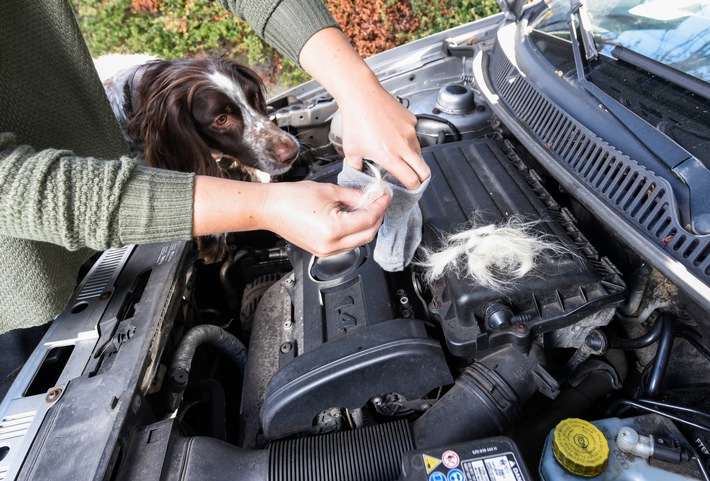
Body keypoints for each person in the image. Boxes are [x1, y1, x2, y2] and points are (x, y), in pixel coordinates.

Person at [0, 0, 430, 371]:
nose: (282, 147)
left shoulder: (170, 96)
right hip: (28, 290)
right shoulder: (169, 124)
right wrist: (263, 206)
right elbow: (14, 188)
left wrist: (359, 91)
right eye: (224, 118)